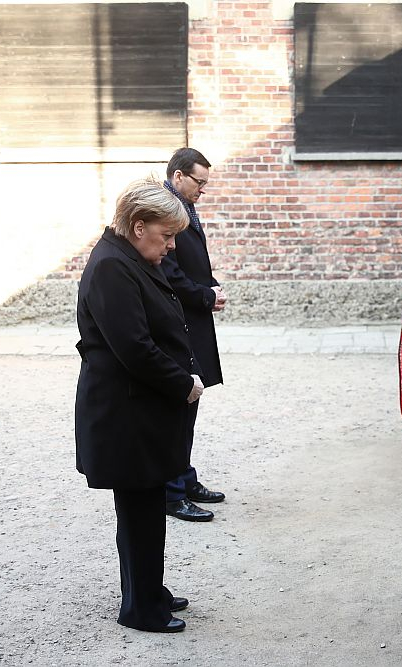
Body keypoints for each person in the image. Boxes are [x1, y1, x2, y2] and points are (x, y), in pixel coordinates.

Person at [75, 177, 204, 633]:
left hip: (137, 410)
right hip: (125, 414)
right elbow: (133, 346)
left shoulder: (127, 256)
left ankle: (150, 591)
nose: (171, 246)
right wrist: (182, 384)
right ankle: (141, 610)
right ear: (137, 225)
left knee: (146, 510)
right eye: (166, 236)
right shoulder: (113, 266)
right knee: (139, 514)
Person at [160, 147, 228, 522]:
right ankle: (172, 493)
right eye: (199, 182)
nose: (203, 190)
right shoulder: (165, 210)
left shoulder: (184, 206)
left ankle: (184, 479)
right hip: (178, 320)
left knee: (191, 403)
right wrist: (204, 295)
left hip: (192, 317)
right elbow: (169, 270)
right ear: (179, 175)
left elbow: (190, 262)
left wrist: (211, 287)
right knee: (179, 406)